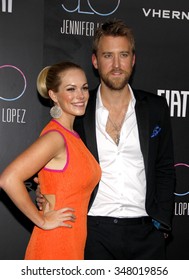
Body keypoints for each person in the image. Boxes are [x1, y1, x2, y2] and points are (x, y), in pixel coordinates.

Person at [36, 19, 176, 260]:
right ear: (95, 61)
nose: (117, 65)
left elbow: (164, 168)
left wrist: (161, 223)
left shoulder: (155, 107)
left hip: (147, 233)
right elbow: (48, 166)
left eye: (123, 55)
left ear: (133, 59)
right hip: (93, 232)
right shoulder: (78, 110)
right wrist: (44, 192)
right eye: (108, 55)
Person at [0, 61, 101, 260]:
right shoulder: (55, 137)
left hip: (73, 243)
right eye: (70, 89)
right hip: (54, 245)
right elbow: (8, 179)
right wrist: (42, 221)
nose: (80, 96)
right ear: (53, 95)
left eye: (84, 88)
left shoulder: (72, 136)